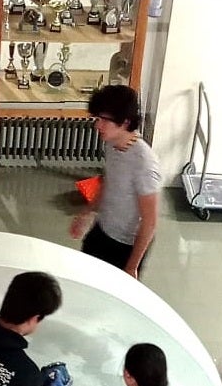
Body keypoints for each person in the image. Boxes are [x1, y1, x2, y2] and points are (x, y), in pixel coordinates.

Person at [69, 85, 161, 279]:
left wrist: (131, 266)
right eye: (97, 119)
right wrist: (86, 213)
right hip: (102, 230)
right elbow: (108, 182)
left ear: (125, 122)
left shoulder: (144, 163)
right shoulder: (112, 144)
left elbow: (150, 222)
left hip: (125, 245)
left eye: (104, 120)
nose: (97, 126)